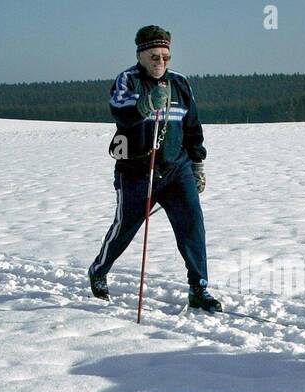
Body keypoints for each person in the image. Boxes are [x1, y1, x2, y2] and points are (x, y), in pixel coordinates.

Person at [88, 25, 222, 312]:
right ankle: (99, 270)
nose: (161, 62)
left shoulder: (181, 84)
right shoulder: (128, 80)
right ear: (141, 55)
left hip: (176, 169)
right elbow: (121, 112)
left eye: (165, 56)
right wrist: (146, 105)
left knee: (192, 225)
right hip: (137, 170)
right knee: (125, 227)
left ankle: (198, 288)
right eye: (154, 56)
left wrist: (197, 163)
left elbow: (192, 126)